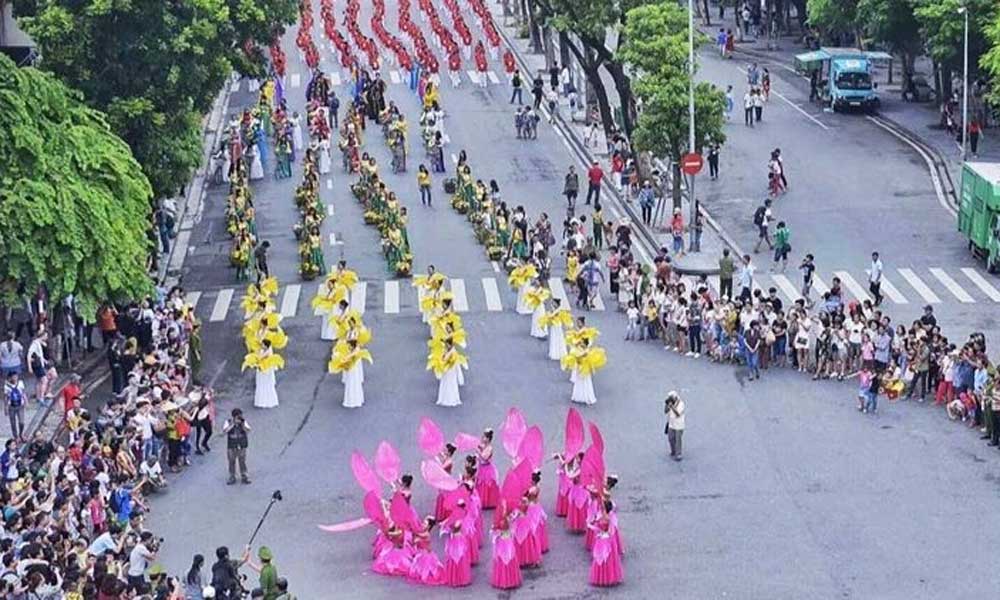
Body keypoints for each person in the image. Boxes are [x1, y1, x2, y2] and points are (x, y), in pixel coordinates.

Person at [224, 408, 251, 485]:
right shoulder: (228, 422)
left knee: (242, 461)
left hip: (242, 445)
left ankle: (244, 476)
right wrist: (233, 424)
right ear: (234, 417)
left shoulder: (243, 421)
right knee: (231, 461)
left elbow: (248, 430)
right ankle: (232, 476)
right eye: (238, 416)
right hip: (231, 446)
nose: (240, 417)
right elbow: (225, 431)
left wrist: (242, 425)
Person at [4, 372, 26, 441]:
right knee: (13, 423)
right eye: (13, 377)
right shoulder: (7, 386)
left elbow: (23, 392)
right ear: (10, 378)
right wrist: (5, 407)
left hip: (20, 405)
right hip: (12, 406)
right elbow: (6, 397)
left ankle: (21, 433)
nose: (15, 378)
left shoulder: (20, 383)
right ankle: (16, 436)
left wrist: (26, 401)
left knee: (21, 422)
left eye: (16, 376)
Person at [664, 391, 685, 460]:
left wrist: (672, 406)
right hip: (671, 424)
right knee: (670, 438)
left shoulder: (681, 404)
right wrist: (667, 405)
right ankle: (673, 451)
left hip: (679, 425)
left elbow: (678, 414)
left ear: (675, 397)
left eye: (671, 398)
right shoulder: (670, 403)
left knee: (678, 440)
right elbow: (665, 411)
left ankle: (678, 454)